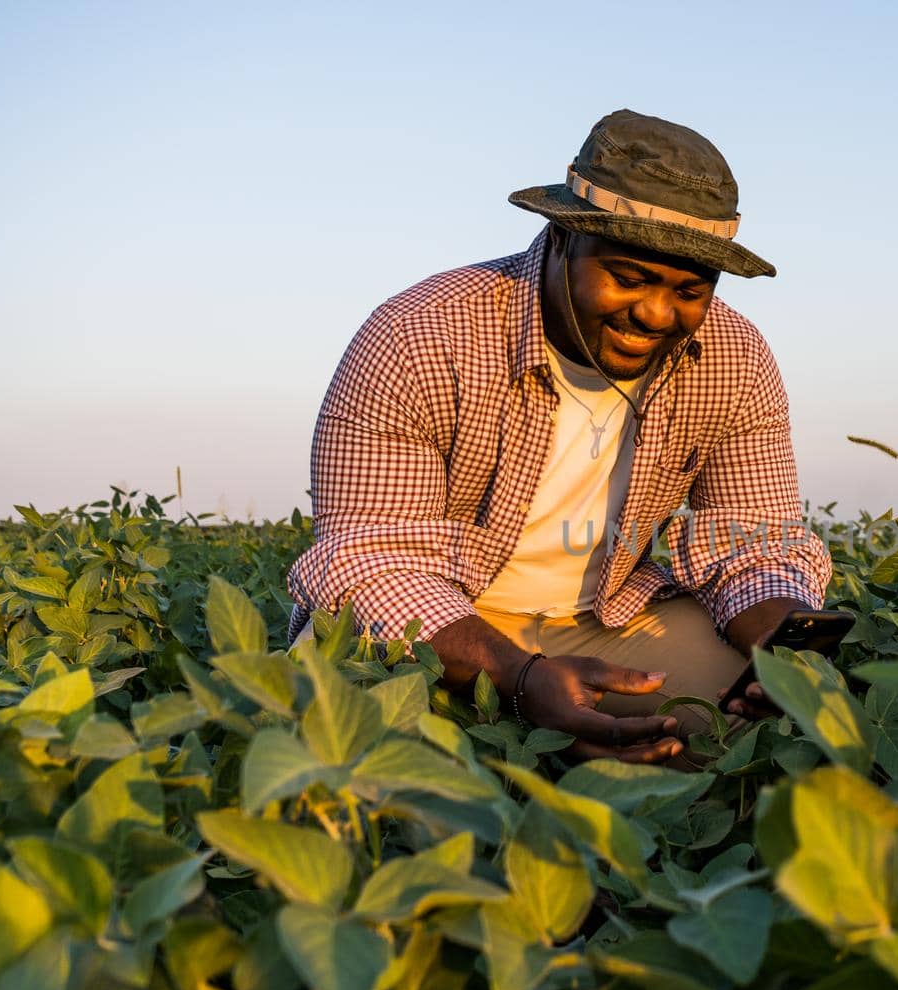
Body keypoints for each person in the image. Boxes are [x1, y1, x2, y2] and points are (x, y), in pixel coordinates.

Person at [286, 109, 831, 765]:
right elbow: (370, 564)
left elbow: (753, 538)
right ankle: (526, 756)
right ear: (563, 237)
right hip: (446, 616)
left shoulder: (732, 356)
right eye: (628, 278)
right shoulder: (419, 336)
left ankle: (591, 772)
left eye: (689, 290)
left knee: (755, 728)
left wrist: (779, 636)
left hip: (605, 621)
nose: (657, 314)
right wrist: (519, 680)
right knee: (350, 739)